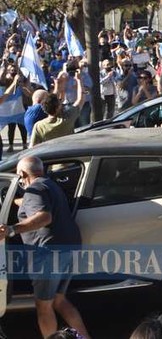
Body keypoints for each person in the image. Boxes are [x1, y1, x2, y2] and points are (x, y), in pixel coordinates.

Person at [0, 156, 90, 338]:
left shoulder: (34, 190)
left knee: (43, 306)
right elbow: (33, 203)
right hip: (68, 247)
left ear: (22, 173)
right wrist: (15, 200)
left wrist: (11, 229)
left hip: (48, 252)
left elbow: (44, 217)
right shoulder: (49, 185)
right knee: (59, 300)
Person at [31, 73, 85, 147]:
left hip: (51, 154)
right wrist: (79, 80)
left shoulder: (39, 126)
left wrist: (57, 85)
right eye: (60, 103)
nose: (61, 103)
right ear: (57, 108)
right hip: (69, 151)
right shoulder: (68, 118)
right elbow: (80, 99)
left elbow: (32, 147)